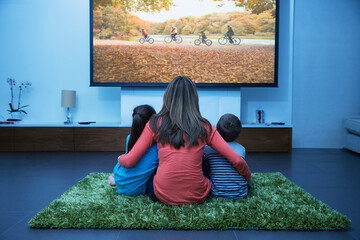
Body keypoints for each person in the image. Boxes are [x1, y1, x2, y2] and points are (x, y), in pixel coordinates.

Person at [118, 76, 251, 205]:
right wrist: (248, 178)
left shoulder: (154, 123)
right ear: (194, 99)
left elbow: (129, 161)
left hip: (162, 195)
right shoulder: (205, 126)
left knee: (156, 167)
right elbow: (237, 160)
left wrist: (120, 159)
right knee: (204, 160)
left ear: (168, 97)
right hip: (198, 195)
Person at [107, 105, 159, 197]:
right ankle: (114, 180)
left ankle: (114, 180)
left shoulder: (129, 138)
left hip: (121, 179)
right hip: (136, 189)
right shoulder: (158, 145)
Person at [203, 114, 252, 200]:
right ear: (238, 134)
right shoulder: (241, 149)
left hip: (216, 193)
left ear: (216, 131)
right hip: (240, 193)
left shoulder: (208, 149)